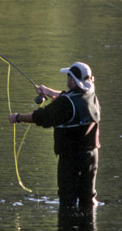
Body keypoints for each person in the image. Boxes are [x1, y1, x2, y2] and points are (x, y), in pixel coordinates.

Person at [9, 61, 101, 210]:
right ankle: (90, 229)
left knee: (67, 200)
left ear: (73, 80)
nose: (67, 80)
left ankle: (67, 229)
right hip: (92, 155)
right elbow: (70, 98)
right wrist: (48, 92)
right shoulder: (91, 96)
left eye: (69, 77)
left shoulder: (65, 103)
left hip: (70, 157)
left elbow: (42, 117)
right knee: (89, 198)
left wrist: (17, 118)